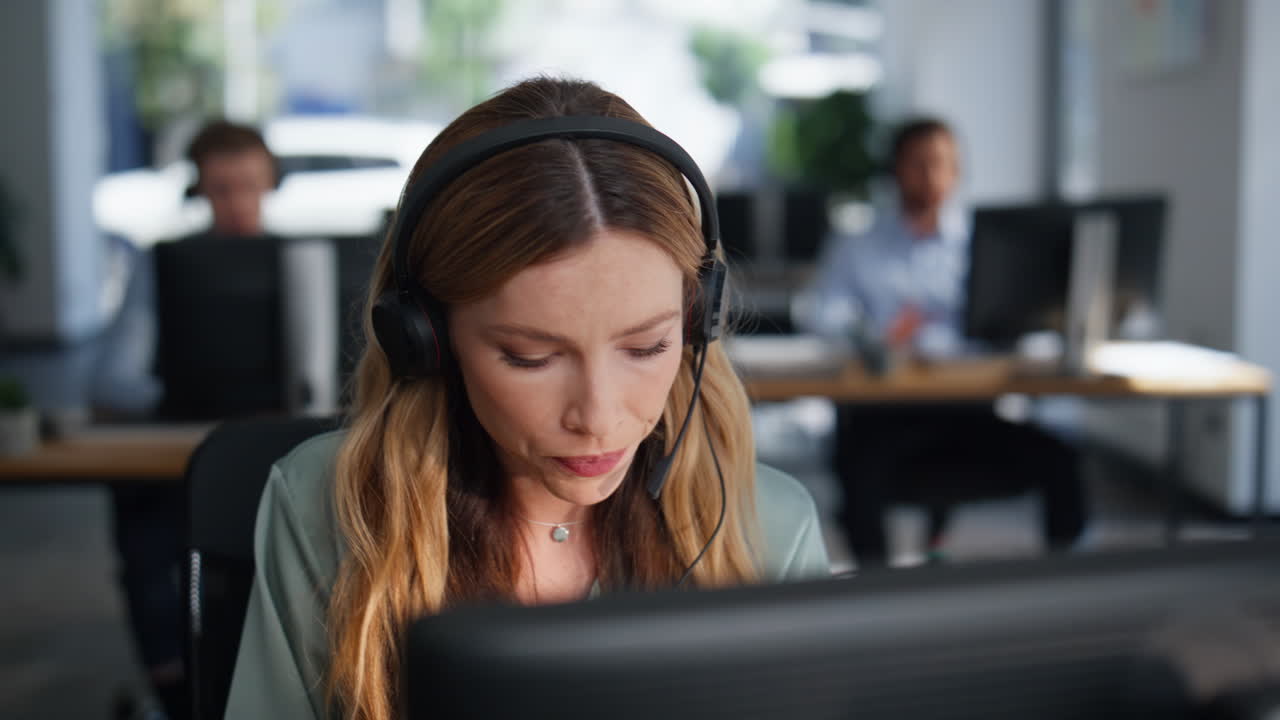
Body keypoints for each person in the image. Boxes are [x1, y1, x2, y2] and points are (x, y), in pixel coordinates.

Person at [224, 77, 831, 720]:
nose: (597, 417)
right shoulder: (326, 509)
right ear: (426, 337)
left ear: (695, 322)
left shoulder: (770, 527)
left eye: (647, 348)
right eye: (530, 358)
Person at [798, 117, 1086, 568]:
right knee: (859, 470)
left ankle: (1065, 581)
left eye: (944, 164)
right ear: (895, 170)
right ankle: (878, 595)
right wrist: (878, 336)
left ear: (957, 171)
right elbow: (822, 314)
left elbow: (1021, 322)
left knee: (1063, 460)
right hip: (886, 411)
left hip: (970, 409)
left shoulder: (988, 244)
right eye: (919, 164)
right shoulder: (859, 244)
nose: (932, 176)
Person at [104, 120, 279, 720]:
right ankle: (176, 691)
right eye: (222, 188)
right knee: (143, 511)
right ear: (199, 191)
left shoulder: (307, 264)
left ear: (271, 183)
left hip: (278, 447)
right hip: (181, 442)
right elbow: (110, 381)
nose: (237, 203)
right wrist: (178, 381)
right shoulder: (164, 270)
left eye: (250, 185)